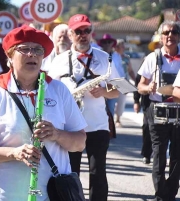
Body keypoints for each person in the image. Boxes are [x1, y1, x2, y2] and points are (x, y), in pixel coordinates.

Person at [0, 25, 87, 201]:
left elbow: (80, 143)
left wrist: (56, 134)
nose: (32, 54)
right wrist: (13, 153)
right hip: (6, 196)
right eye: (24, 49)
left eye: (38, 50)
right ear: (10, 55)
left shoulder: (58, 90)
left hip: (53, 195)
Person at [48, 14, 120, 201]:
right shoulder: (59, 60)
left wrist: (104, 90)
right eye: (78, 31)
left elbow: (120, 88)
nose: (83, 35)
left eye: (86, 31)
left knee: (98, 174)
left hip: (97, 126)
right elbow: (49, 92)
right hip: (69, 128)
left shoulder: (105, 58)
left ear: (91, 32)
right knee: (71, 175)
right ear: (71, 34)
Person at [137, 20, 180, 201]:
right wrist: (149, 89)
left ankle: (171, 191)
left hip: (179, 110)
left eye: (174, 32)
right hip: (157, 110)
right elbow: (140, 85)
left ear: (178, 36)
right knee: (159, 153)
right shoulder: (152, 58)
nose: (170, 36)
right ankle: (161, 193)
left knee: (178, 154)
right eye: (166, 32)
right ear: (161, 37)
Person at [134, 33, 161, 165]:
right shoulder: (149, 59)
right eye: (156, 44)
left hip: (165, 100)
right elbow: (138, 81)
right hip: (148, 100)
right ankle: (146, 153)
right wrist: (136, 101)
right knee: (147, 127)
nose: (159, 46)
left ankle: (159, 155)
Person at [98, 33, 121, 118]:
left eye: (109, 42)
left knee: (110, 108)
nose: (107, 44)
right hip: (100, 84)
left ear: (112, 44)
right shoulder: (97, 55)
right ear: (102, 44)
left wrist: (123, 86)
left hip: (113, 84)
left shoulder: (117, 56)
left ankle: (110, 127)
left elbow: (120, 70)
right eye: (105, 42)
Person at [114, 39, 136, 127]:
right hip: (114, 80)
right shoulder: (112, 56)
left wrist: (135, 80)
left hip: (124, 82)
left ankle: (118, 119)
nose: (123, 48)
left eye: (123, 46)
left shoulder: (126, 58)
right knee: (111, 100)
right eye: (121, 46)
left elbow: (130, 71)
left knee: (121, 101)